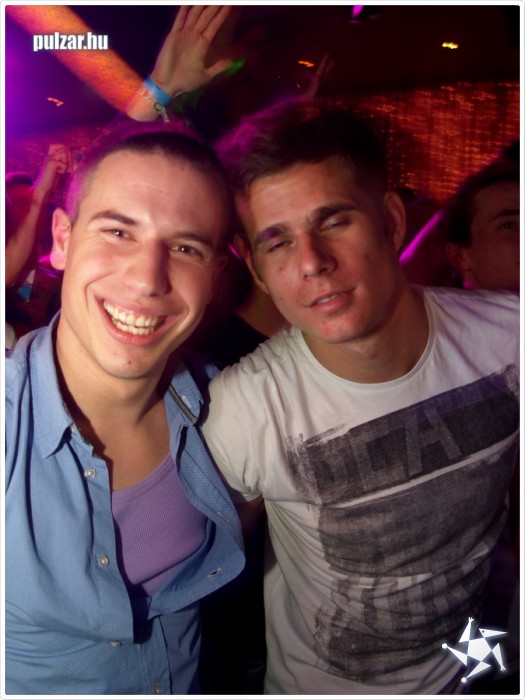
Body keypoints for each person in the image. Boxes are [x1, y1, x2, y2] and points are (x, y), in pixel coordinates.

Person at [201, 97, 520, 695]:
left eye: (333, 221)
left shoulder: (510, 339)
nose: (312, 262)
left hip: (476, 668)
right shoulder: (245, 409)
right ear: (257, 267)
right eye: (277, 241)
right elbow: (201, 572)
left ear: (392, 222)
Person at [4, 120, 245, 694]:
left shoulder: (227, 409)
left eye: (185, 247)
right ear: (62, 240)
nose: (146, 279)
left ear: (214, 276)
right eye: (117, 231)